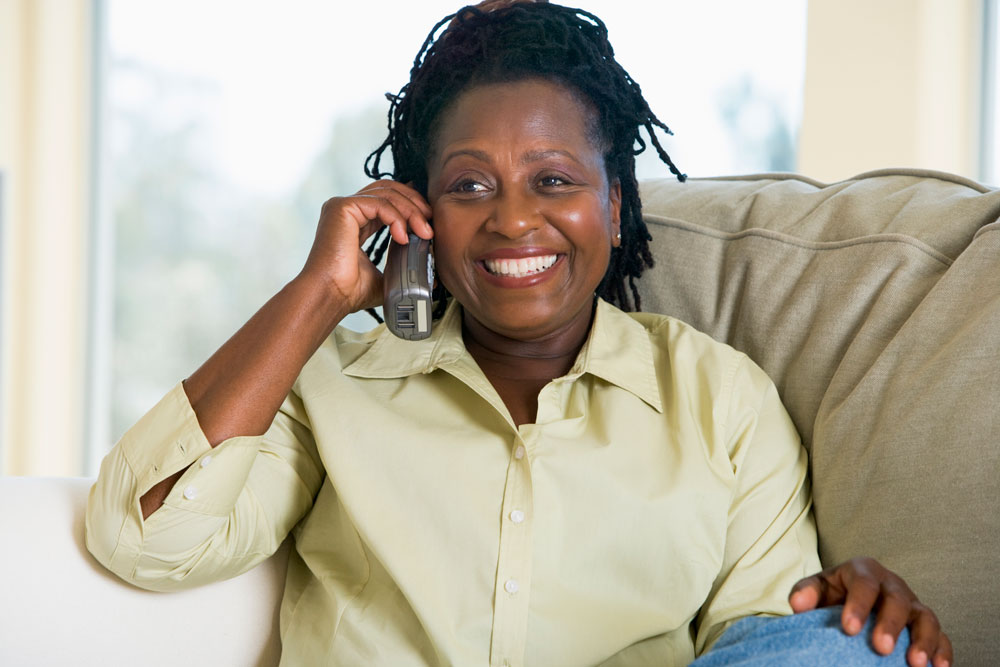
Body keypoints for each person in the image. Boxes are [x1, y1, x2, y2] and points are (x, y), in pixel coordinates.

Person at [86, 3, 952, 666]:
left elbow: (761, 639)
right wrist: (318, 294)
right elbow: (143, 534)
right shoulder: (334, 385)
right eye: (468, 186)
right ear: (419, 211)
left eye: (552, 179)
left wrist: (845, 628)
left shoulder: (721, 400)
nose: (513, 220)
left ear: (614, 207)